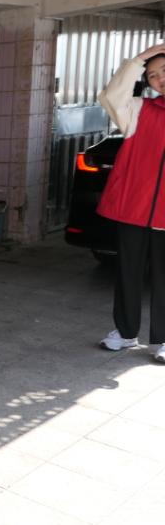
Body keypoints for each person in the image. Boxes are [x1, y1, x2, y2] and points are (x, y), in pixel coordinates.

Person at [96, 42, 165, 364]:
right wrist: (139, 59)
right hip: (134, 211)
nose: (159, 78)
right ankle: (125, 332)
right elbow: (111, 96)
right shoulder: (138, 110)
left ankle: (162, 339)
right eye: (152, 75)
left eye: (164, 71)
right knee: (127, 273)